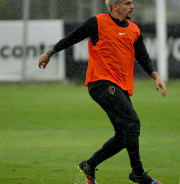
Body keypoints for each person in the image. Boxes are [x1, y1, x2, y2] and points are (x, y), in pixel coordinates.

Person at [38, 0, 166, 183]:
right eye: (128, 3)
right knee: (132, 123)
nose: (132, 6)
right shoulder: (97, 22)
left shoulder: (134, 30)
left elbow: (143, 56)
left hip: (120, 87)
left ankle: (89, 165)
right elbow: (72, 37)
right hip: (101, 83)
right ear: (115, 6)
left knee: (124, 136)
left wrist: (156, 76)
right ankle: (138, 173)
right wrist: (49, 53)